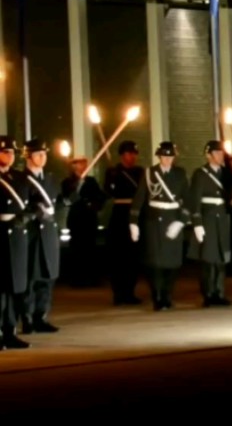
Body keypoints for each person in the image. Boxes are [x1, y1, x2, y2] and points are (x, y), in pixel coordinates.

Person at [129, 141, 191, 311]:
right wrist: (133, 222)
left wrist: (181, 221)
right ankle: (157, 296)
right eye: (164, 157)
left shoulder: (180, 174)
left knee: (172, 263)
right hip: (153, 223)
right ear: (159, 157)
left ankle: (167, 295)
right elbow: (139, 198)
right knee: (155, 263)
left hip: (173, 220)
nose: (167, 160)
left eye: (170, 157)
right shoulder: (150, 173)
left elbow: (187, 199)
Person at [21, 139, 64, 333]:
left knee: (48, 277)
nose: (42, 158)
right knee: (30, 278)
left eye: (44, 154)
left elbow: (61, 202)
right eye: (38, 154)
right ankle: (27, 318)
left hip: (48, 233)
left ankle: (41, 316)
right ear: (28, 157)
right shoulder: (20, 180)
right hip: (30, 233)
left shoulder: (51, 179)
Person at [187, 140, 232, 307]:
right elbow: (195, 200)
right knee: (208, 259)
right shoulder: (200, 174)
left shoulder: (226, 173)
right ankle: (209, 294)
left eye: (222, 153)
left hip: (221, 218)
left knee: (221, 258)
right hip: (208, 218)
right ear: (209, 155)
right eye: (217, 153)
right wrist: (197, 223)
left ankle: (220, 292)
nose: (221, 156)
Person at [0, 136, 34, 350]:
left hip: (16, 238)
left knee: (13, 288)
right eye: (5, 152)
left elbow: (37, 201)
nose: (9, 156)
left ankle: (10, 331)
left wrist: (27, 216)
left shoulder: (20, 178)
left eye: (12, 153)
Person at [103, 140, 145, 305]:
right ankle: (118, 293)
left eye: (134, 153)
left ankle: (130, 291)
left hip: (135, 213)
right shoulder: (112, 171)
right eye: (129, 153)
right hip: (119, 215)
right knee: (118, 256)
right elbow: (108, 191)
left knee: (132, 256)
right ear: (122, 155)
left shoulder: (140, 171)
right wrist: (113, 178)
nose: (132, 157)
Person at [59, 153, 106, 288]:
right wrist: (77, 186)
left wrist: (93, 205)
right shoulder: (68, 182)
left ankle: (91, 278)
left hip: (89, 219)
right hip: (76, 219)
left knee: (90, 248)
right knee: (77, 249)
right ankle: (77, 279)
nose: (82, 165)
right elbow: (67, 199)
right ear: (73, 166)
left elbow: (100, 197)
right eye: (78, 163)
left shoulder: (91, 181)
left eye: (83, 162)